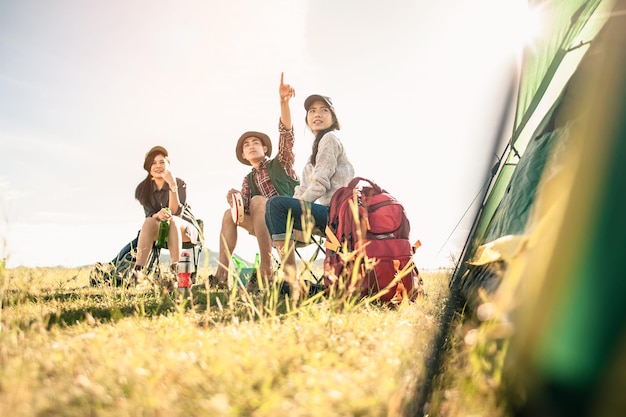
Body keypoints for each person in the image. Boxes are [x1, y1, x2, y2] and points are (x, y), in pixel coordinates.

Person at [210, 72, 299, 288]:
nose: (250, 145)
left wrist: (283, 102)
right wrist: (236, 200)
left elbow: (286, 135)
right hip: (264, 225)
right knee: (229, 214)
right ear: (243, 155)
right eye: (246, 145)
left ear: (265, 148)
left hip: (291, 219)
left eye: (255, 142)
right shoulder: (248, 179)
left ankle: (265, 270)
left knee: (260, 201)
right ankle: (222, 276)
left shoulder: (281, 163)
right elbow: (245, 210)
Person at [265, 93, 354, 297]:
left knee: (275, 205)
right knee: (275, 208)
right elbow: (302, 189)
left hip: (339, 216)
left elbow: (320, 184)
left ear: (333, 117)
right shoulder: (312, 156)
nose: (317, 114)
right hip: (326, 215)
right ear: (307, 119)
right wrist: (293, 211)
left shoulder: (330, 139)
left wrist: (291, 213)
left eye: (324, 110)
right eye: (312, 111)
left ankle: (290, 279)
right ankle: (292, 281)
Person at [132, 145, 201, 284]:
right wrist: (158, 215)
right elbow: (149, 215)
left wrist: (172, 185)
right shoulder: (143, 189)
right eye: (154, 163)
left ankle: (176, 272)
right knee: (148, 222)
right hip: (160, 230)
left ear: (169, 165)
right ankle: (137, 273)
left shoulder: (179, 183)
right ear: (148, 168)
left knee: (173, 220)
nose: (158, 166)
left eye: (162, 162)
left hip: (185, 230)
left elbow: (175, 212)